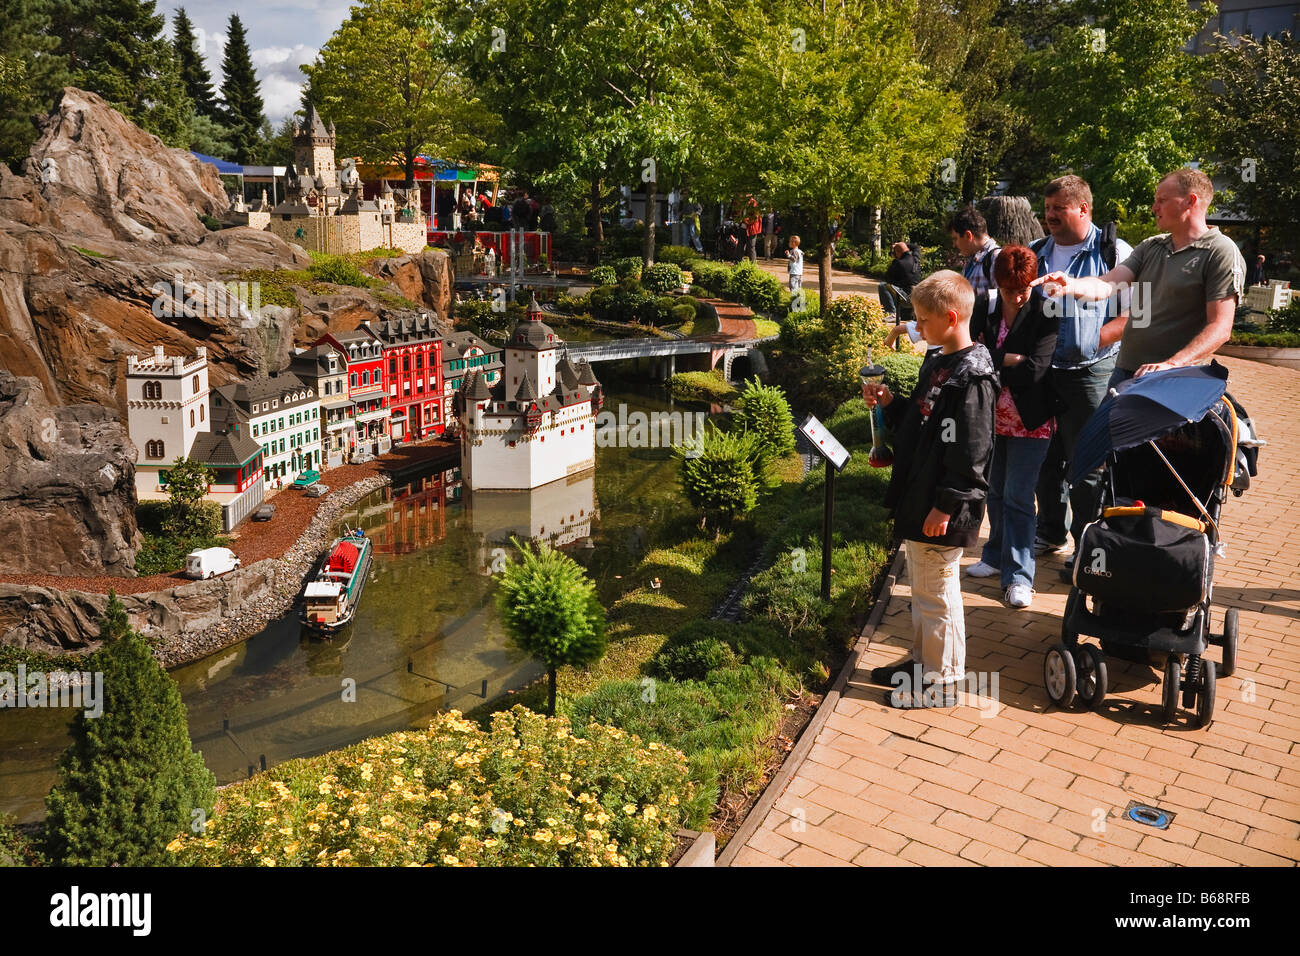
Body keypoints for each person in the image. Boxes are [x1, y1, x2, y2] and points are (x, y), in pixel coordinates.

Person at [862, 270, 998, 708]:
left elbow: (973, 455)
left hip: (943, 507)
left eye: (922, 320)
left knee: (939, 593)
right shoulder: (939, 362)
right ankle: (921, 663)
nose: (916, 328)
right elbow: (922, 422)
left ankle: (944, 681)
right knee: (922, 589)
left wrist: (947, 505)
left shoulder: (973, 378)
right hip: (921, 496)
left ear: (952, 317)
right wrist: (890, 404)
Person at [1034, 167, 1246, 390]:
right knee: (1101, 426)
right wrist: (1071, 284)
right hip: (1126, 372)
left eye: (1162, 200)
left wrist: (1172, 364)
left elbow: (1220, 327)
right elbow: (1107, 284)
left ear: (1190, 201)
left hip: (1173, 379)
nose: (1154, 207)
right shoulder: (1152, 246)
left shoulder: (1220, 251)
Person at [1029, 175, 1133, 566]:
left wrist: (1094, 342)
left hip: (1091, 374)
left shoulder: (1116, 253)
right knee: (1042, 457)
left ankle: (1087, 547)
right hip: (1043, 373)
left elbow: (1138, 315)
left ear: (1083, 209)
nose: (1050, 215)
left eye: (1059, 208)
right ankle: (1050, 532)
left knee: (1087, 464)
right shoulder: (1036, 251)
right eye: (1047, 208)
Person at [962, 246, 1059, 609]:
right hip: (990, 416)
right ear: (997, 284)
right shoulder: (984, 305)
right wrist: (1007, 359)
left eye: (1024, 288)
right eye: (1009, 289)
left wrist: (994, 360)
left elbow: (1037, 369)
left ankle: (1019, 576)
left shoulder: (1046, 308)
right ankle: (995, 553)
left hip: (1030, 420)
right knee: (996, 491)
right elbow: (971, 354)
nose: (1017, 296)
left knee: (1019, 496)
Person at [948, 206, 1001, 305]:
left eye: (955, 239)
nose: (954, 244)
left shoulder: (996, 259)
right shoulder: (972, 261)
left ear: (968, 235)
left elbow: (1006, 302)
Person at [879, 240, 922, 318]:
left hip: (906, 299)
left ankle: (891, 313)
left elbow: (888, 279)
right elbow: (916, 247)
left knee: (883, 285)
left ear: (898, 252)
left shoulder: (898, 263)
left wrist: (894, 261)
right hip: (916, 297)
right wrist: (903, 245)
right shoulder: (916, 259)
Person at [743, 197, 761, 262]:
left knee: (751, 246)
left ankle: (752, 264)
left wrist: (747, 221)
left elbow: (756, 217)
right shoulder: (742, 203)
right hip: (743, 227)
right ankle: (738, 262)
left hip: (752, 229)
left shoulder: (753, 203)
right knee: (740, 246)